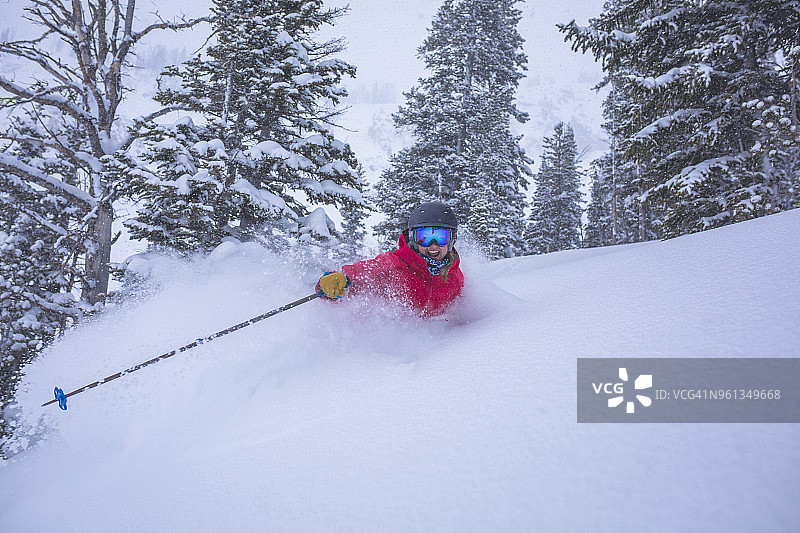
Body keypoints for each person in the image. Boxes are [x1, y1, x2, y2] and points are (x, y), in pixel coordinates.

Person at [316, 201, 464, 317]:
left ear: (452, 240)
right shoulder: (393, 265)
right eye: (424, 238)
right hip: (397, 348)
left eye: (441, 237)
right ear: (413, 239)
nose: (433, 245)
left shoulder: (455, 277)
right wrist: (335, 281)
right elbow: (361, 272)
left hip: (442, 347)